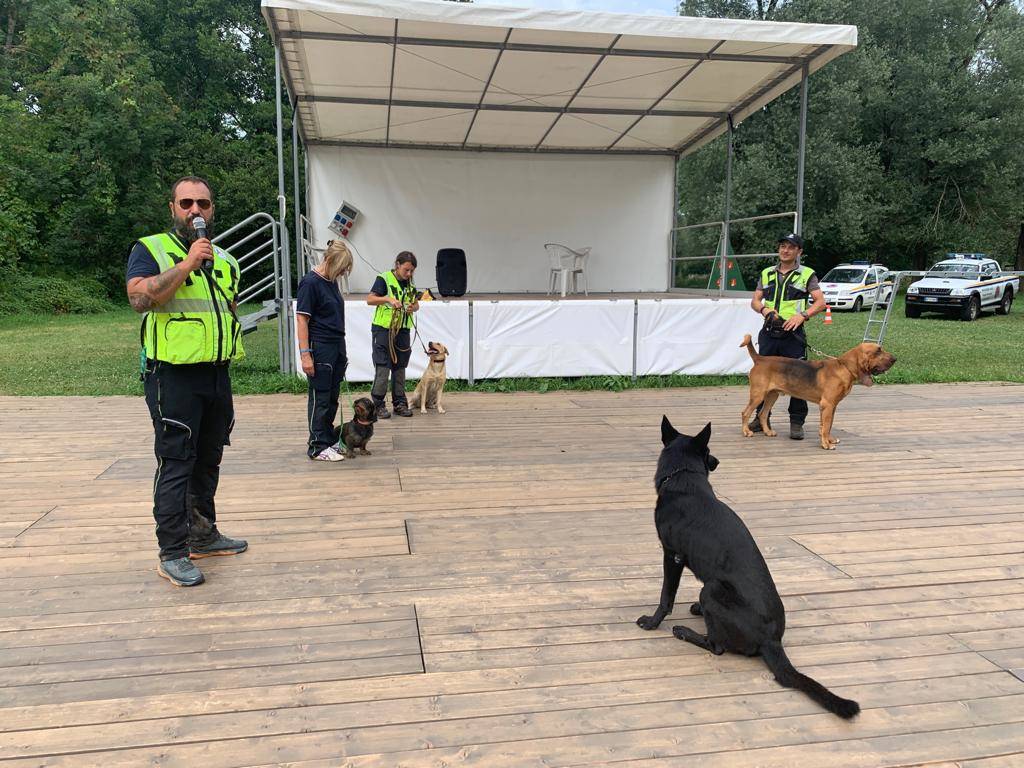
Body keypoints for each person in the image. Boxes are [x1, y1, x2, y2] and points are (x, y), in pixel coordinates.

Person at [126, 176, 248, 587]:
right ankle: (173, 551)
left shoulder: (227, 261)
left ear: (212, 210)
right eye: (187, 204)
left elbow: (228, 309)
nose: (195, 211)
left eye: (204, 204)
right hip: (172, 376)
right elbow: (140, 298)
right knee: (177, 461)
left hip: (216, 374)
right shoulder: (152, 249)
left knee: (209, 457)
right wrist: (187, 264)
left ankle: (203, 534)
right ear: (173, 208)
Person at [748, 232, 827, 440]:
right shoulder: (766, 273)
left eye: (791, 247)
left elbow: (820, 303)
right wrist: (764, 310)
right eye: (783, 246)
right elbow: (755, 301)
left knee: (800, 379)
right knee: (765, 379)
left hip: (793, 335)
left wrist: (803, 315)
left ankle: (796, 423)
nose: (785, 250)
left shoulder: (807, 274)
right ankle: (760, 419)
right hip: (769, 333)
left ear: (799, 252)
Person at [296, 240, 353, 461]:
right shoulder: (310, 283)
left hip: (336, 345)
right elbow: (302, 320)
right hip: (320, 347)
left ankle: (328, 439)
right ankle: (317, 445)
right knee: (320, 397)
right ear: (329, 261)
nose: (342, 273)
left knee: (332, 397)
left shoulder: (331, 281)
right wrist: (305, 354)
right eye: (340, 268)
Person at [367, 251, 420, 419]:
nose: (409, 274)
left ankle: (399, 403)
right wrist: (388, 299)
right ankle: (377, 404)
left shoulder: (409, 283)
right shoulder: (384, 278)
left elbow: (416, 303)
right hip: (383, 330)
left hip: (402, 330)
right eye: (406, 270)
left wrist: (414, 307)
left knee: (400, 367)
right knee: (383, 367)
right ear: (397, 264)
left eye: (412, 271)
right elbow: (370, 299)